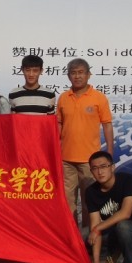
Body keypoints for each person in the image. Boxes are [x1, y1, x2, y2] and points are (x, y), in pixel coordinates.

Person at [57, 58, 114, 226]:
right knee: (68, 200)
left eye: (81, 72)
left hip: (90, 160)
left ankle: (89, 233)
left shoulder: (99, 98)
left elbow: (107, 125)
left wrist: (109, 152)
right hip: (66, 159)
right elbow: (59, 124)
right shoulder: (63, 98)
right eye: (73, 73)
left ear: (89, 74)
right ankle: (72, 234)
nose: (77, 76)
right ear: (68, 76)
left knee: (89, 199)